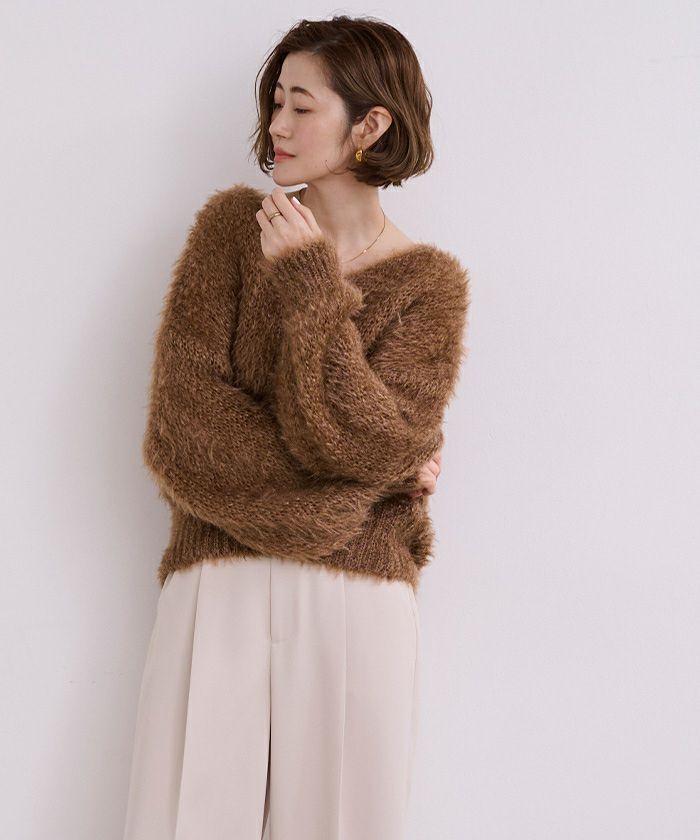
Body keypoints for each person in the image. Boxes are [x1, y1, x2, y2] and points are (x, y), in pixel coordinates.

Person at [122, 14, 470, 840]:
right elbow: (183, 435)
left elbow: (373, 442)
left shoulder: (431, 286)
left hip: (360, 601)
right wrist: (372, 482)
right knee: (187, 821)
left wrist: (311, 284)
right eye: (276, 101)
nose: (277, 124)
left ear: (371, 125)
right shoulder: (229, 233)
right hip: (218, 584)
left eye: (301, 106)